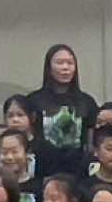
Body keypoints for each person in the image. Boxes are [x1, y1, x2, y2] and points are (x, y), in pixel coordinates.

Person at [25, 42, 97, 175]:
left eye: (70, 63)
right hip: (43, 171)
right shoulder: (34, 100)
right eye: (60, 63)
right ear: (49, 67)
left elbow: (91, 143)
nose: (65, 67)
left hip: (78, 172)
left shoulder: (87, 101)